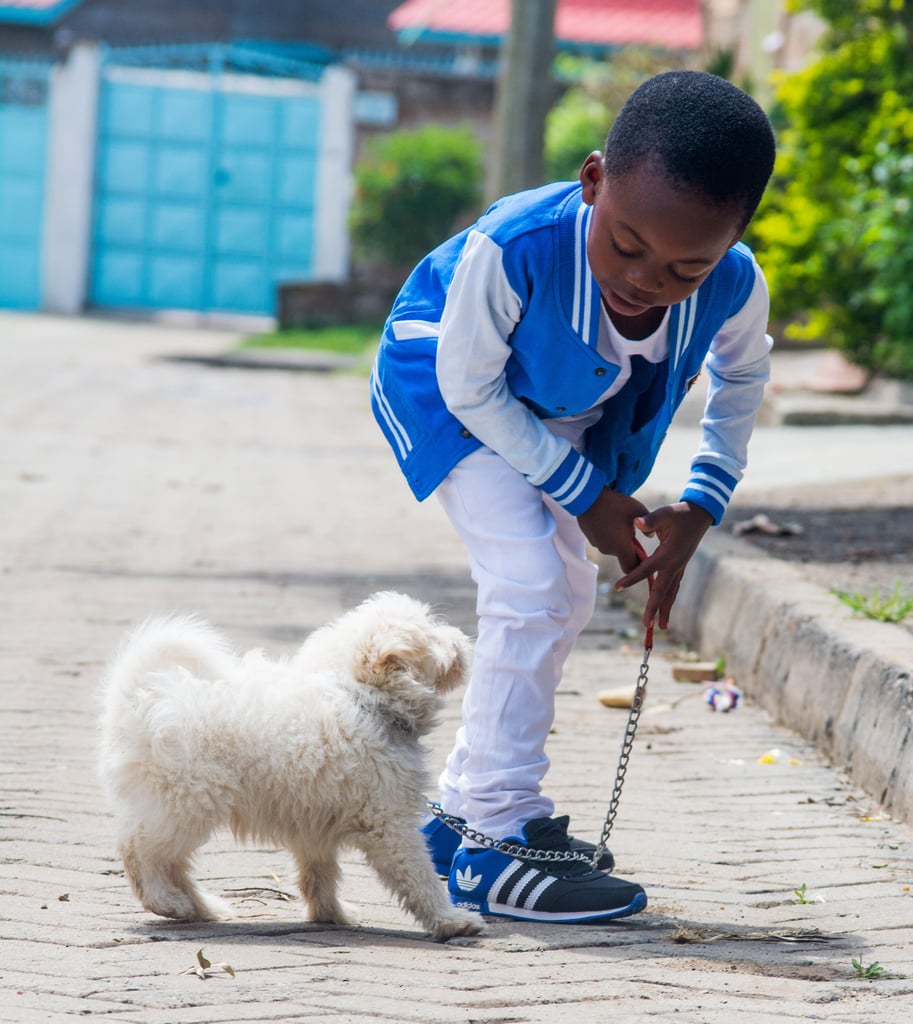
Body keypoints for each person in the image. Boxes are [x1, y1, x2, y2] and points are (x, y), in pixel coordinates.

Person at [370, 70, 776, 924]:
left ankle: (455, 822)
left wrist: (700, 506)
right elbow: (471, 388)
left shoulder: (735, 283)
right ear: (593, 180)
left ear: (732, 240)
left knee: (565, 593)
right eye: (625, 244)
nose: (646, 279)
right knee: (530, 581)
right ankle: (494, 837)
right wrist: (587, 495)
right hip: (446, 388)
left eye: (685, 266)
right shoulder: (515, 247)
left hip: (554, 410)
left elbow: (741, 381)